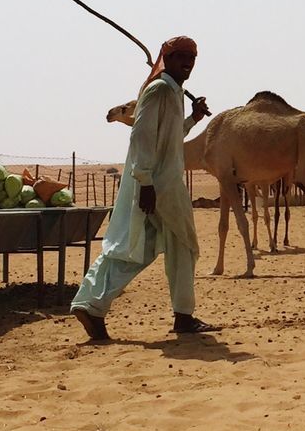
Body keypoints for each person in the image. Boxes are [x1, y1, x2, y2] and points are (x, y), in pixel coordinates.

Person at [71, 35, 216, 341]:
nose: (188, 62)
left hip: (163, 182)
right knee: (182, 246)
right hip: (160, 185)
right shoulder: (160, 90)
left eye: (192, 58)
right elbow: (142, 137)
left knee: (142, 245)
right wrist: (147, 182)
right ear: (168, 59)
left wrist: (194, 118)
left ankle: (92, 304)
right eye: (181, 56)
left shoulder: (171, 92)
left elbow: (170, 137)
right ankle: (182, 317)